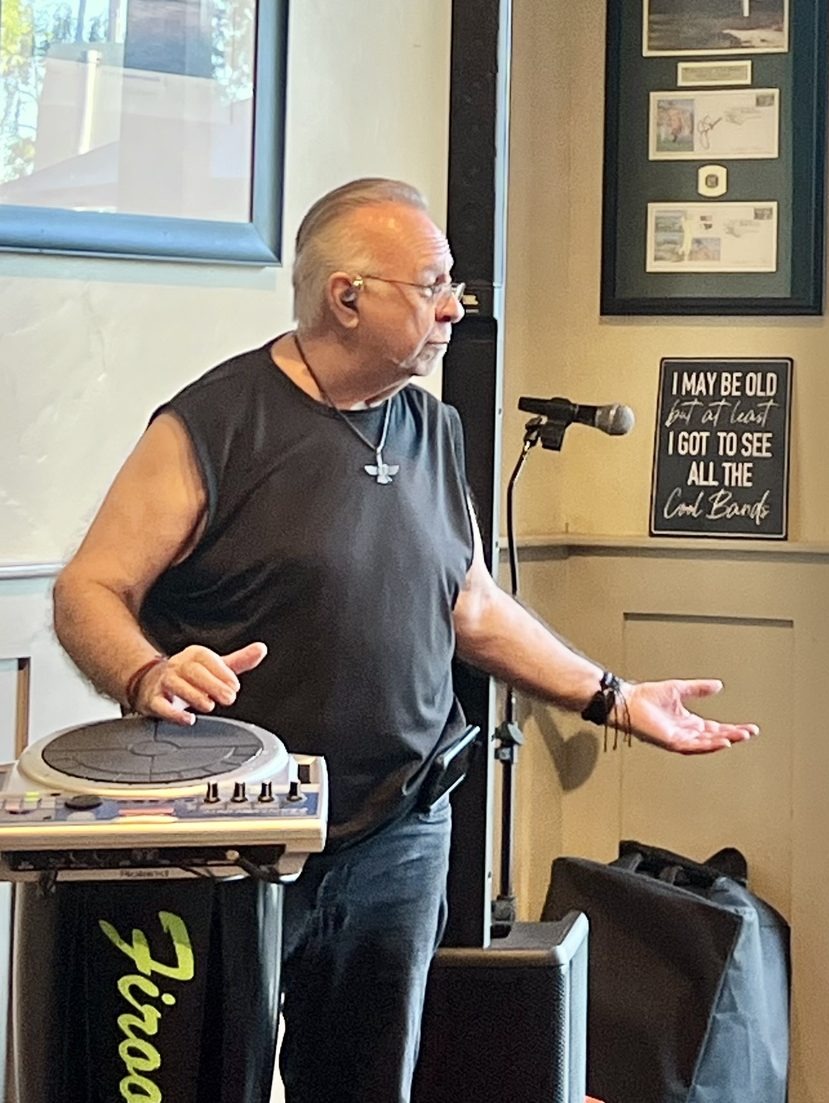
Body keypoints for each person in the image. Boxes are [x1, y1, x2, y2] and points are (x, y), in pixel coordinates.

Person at [51, 177, 757, 1103]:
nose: (455, 306)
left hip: (401, 833)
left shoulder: (433, 426)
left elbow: (472, 606)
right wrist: (147, 671)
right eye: (432, 284)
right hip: (240, 841)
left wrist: (613, 696)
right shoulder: (213, 426)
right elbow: (88, 590)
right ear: (346, 297)